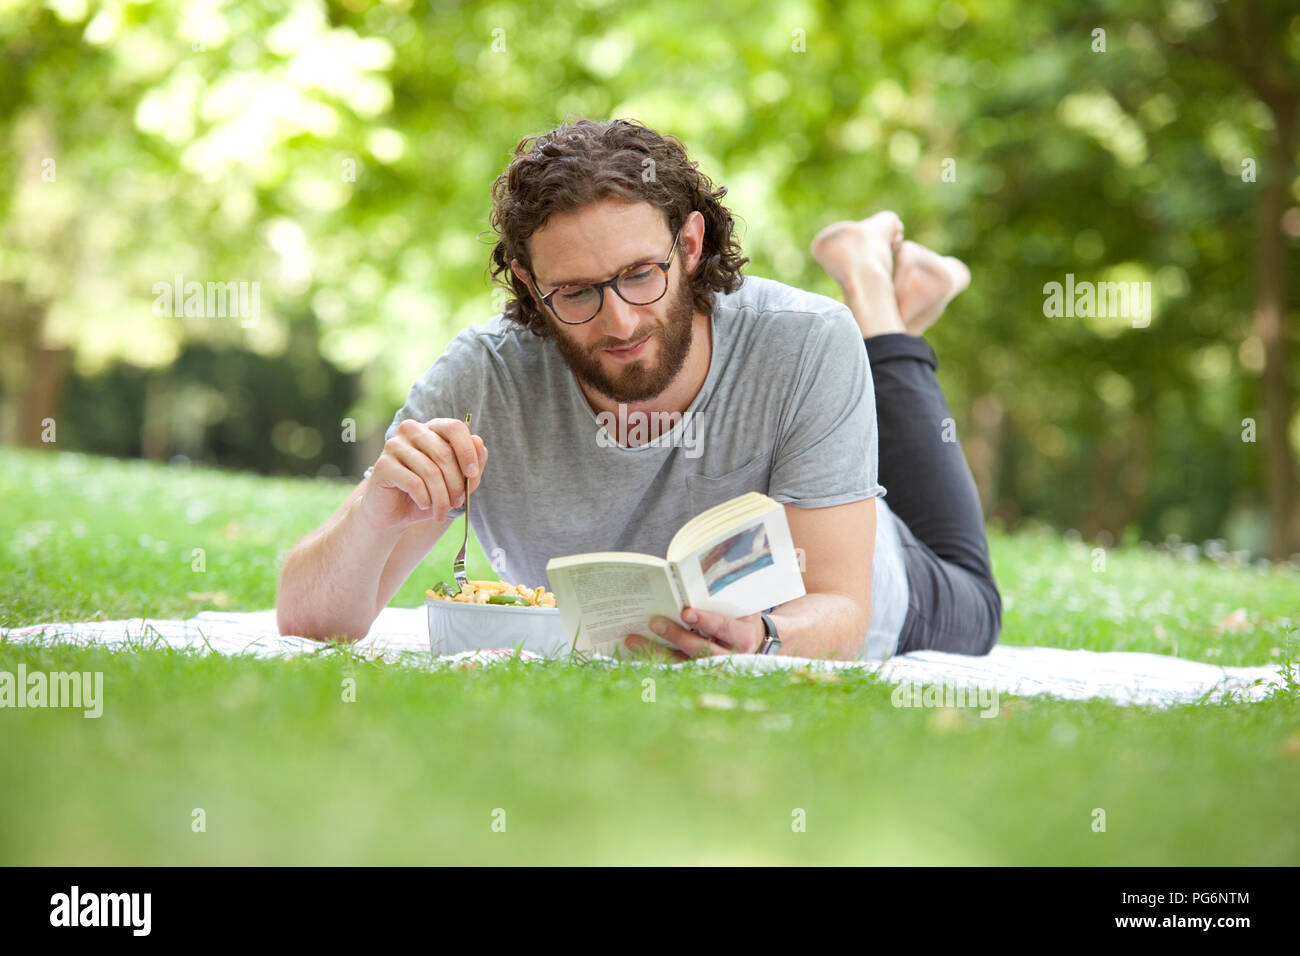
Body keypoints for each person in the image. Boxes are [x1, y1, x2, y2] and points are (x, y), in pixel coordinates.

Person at [276, 117, 1001, 661]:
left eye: (640, 274)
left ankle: (876, 289)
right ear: (529, 284)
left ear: (688, 246)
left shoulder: (804, 339)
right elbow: (310, 623)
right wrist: (376, 509)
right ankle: (903, 297)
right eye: (577, 292)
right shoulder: (483, 379)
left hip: (891, 583)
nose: (619, 320)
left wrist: (763, 638)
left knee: (978, 601)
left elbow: (842, 607)